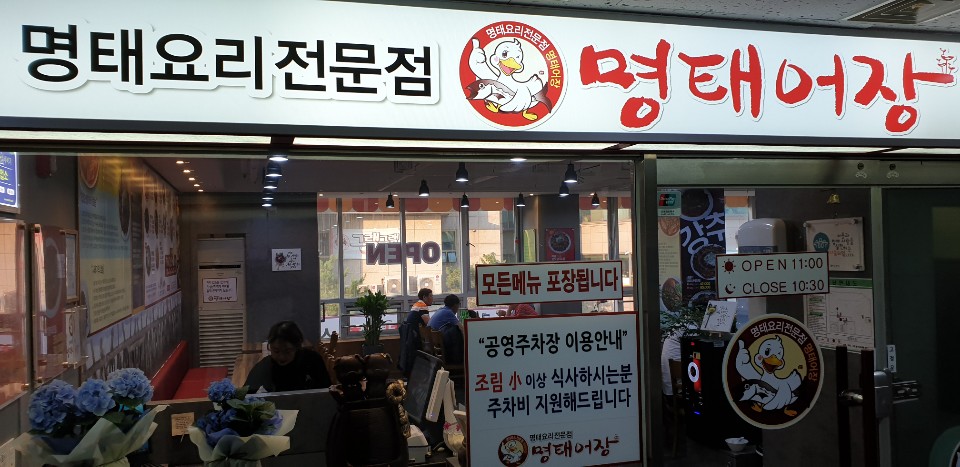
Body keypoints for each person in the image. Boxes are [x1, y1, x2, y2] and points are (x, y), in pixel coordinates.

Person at [245, 321, 331, 393]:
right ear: (270, 346)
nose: (281, 357)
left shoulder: (312, 360)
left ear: (297, 347)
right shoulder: (266, 366)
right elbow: (245, 395)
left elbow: (327, 392)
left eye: (287, 351)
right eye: (276, 351)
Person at [398, 288, 433, 376]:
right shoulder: (422, 306)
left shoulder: (416, 305)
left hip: (411, 336)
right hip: (415, 338)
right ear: (424, 297)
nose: (432, 298)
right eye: (431, 296)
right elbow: (429, 323)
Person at [428, 295, 464, 365]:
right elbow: (461, 328)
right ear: (455, 305)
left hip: (436, 349)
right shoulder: (448, 312)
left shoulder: (441, 310)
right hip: (444, 353)